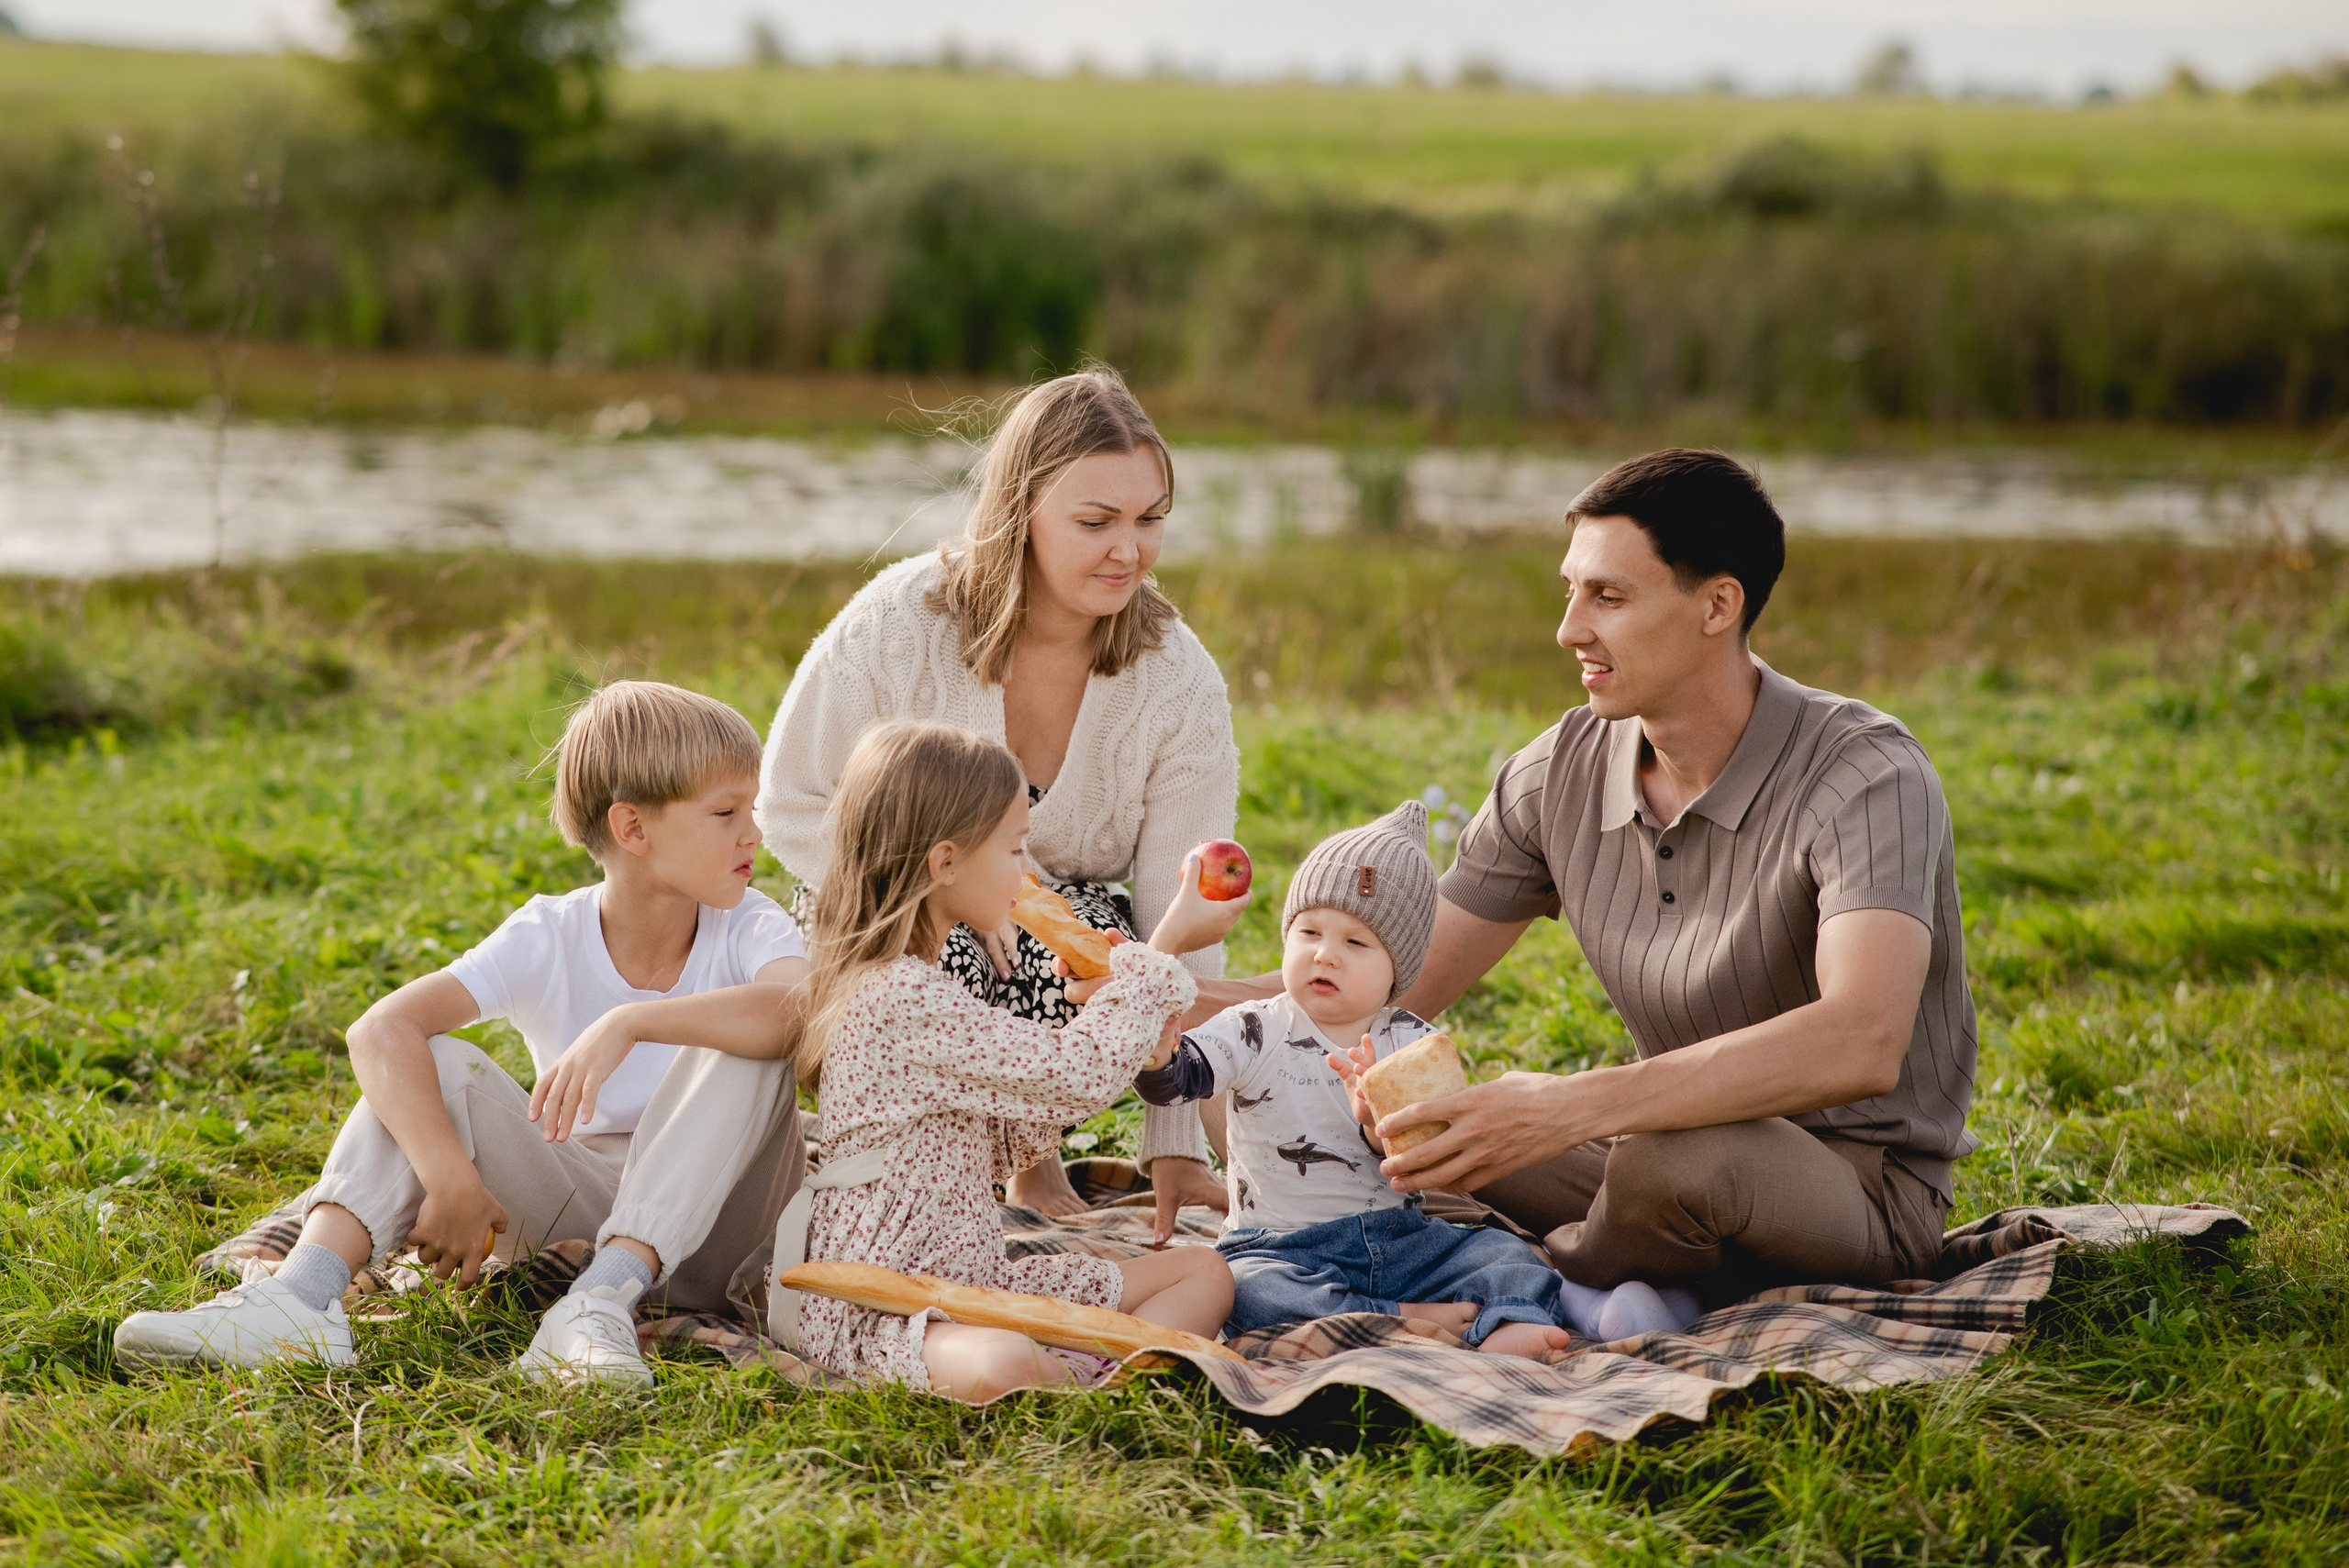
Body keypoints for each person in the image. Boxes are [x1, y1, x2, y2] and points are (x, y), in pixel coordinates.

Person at [1365, 450, 1977, 1307]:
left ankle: (1561, 1287)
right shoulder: (1557, 772)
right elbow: (1388, 985)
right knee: (1396, 1118)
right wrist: (1166, 1003)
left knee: (1667, 1157)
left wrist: (1572, 1107)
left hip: (1856, 1190)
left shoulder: (1868, 774)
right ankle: (1614, 1268)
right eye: (1570, 591)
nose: (1570, 628)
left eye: (1608, 597)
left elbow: (1862, 1038)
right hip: (1653, 1159)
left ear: (1717, 605)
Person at [114, 682, 810, 1373]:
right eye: (725, 811)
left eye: (751, 808)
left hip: (723, 1233)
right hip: (587, 1210)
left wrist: (632, 1022)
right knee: (435, 1060)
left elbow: (795, 1013)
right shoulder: (551, 932)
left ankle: (598, 1305)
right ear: (633, 828)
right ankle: (301, 1299)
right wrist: (449, 1177)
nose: (754, 832)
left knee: (751, 1040)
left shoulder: (750, 923)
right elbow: (381, 1030)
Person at [758, 367, 1247, 1236]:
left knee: (1114, 950)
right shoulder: (901, 622)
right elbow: (791, 799)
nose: (1127, 550)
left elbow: (1185, 914)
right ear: (1020, 511)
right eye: (1095, 522)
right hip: (886, 913)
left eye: (1150, 519)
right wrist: (945, 893)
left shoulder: (1177, 679)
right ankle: (948, 1162)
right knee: (935, 955)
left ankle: (1024, 1153)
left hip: (1063, 938)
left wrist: (1176, 1137)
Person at [779, 722, 1239, 1401]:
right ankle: (1116, 1368)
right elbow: (1073, 1075)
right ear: (944, 863)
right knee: (1001, 1363)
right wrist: (1159, 949)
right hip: (888, 1294)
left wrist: (1127, 1020)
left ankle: (1105, 1372)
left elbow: (1014, 1110)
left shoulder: (920, 979)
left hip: (973, 1275)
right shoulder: (897, 995)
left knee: (1206, 1271)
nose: (1026, 875)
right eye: (1015, 850)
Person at [1140, 800, 1690, 1351]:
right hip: (1281, 1246)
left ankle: (1507, 1323)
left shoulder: (1412, 1042)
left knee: (1502, 1256)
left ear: (1397, 968)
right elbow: (1173, 1083)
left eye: (1355, 943)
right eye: (1309, 933)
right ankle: (1403, 1316)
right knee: (1250, 1291)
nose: (1325, 955)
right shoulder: (1252, 1027)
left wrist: (1374, 1123)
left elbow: (1432, 1160)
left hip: (1402, 1241)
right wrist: (1160, 1050)